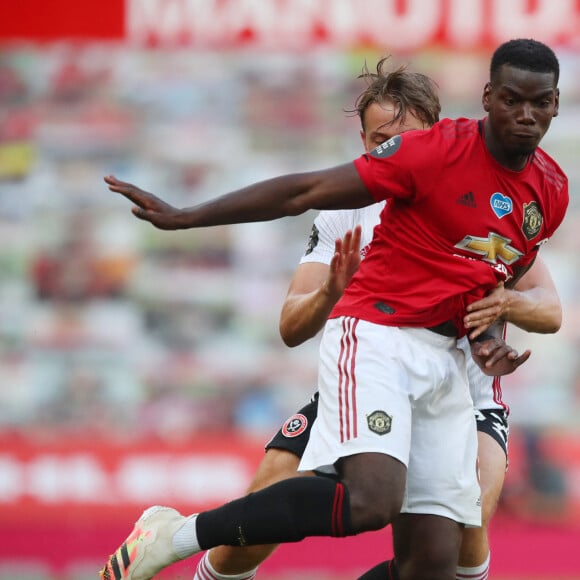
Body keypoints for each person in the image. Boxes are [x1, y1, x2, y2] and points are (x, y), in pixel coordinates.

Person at [100, 38, 567, 580]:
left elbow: (484, 280)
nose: (526, 115)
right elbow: (306, 191)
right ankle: (176, 536)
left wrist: (487, 341)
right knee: (371, 501)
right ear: (488, 97)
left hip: (447, 367)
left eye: (541, 102)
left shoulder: (550, 191)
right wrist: (189, 217)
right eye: (512, 99)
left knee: (433, 564)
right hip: (379, 336)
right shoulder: (432, 152)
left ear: (557, 103)